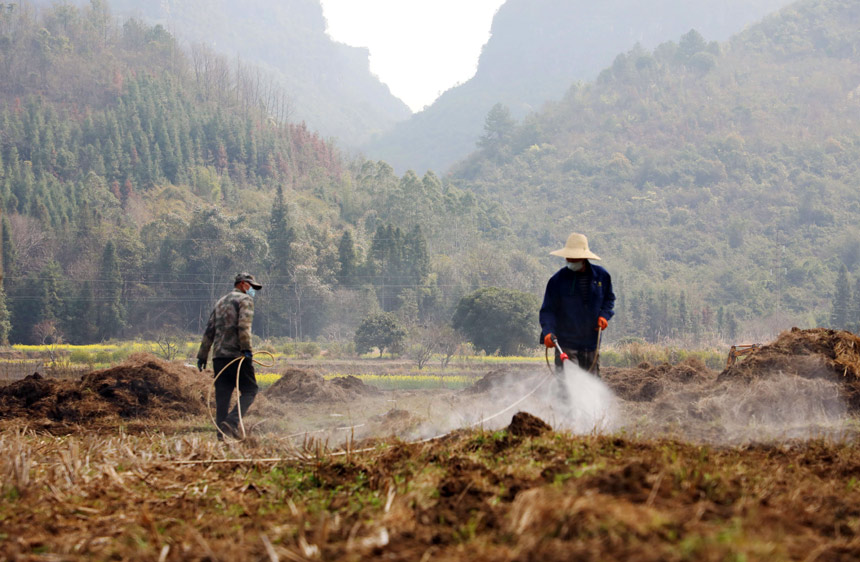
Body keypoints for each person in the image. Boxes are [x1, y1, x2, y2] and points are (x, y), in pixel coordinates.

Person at [197, 272, 262, 439]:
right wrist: (246, 349)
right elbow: (244, 326)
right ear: (242, 284)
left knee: (223, 396)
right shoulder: (245, 300)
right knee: (250, 389)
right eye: (251, 286)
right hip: (236, 355)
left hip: (219, 357)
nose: (252, 290)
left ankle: (221, 435)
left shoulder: (220, 302)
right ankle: (232, 422)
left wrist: (202, 355)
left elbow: (209, 330)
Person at [539, 233, 615, 377]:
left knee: (591, 383)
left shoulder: (601, 276)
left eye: (574, 258)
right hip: (565, 343)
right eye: (569, 257)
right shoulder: (557, 280)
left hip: (591, 342)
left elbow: (609, 300)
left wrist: (604, 316)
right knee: (567, 385)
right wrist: (548, 332)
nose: (570, 260)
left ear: (583, 258)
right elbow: (547, 310)